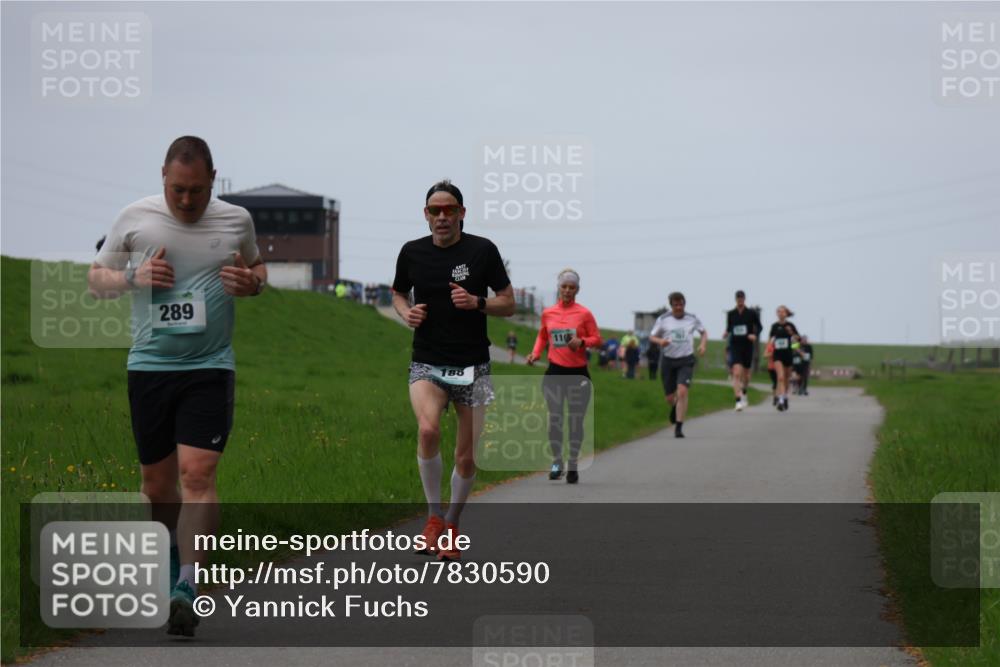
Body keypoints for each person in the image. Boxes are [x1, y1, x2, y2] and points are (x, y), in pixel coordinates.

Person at [87, 136, 267, 637]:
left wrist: (251, 284)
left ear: (214, 181)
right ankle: (169, 567)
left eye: (197, 191)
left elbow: (257, 268)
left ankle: (188, 586)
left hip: (210, 367)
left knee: (198, 475)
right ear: (162, 177)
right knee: (156, 487)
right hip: (150, 367)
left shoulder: (236, 221)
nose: (186, 201)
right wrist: (133, 278)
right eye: (177, 190)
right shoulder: (135, 218)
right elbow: (96, 279)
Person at [392, 179, 514, 562]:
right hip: (428, 359)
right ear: (425, 215)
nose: (442, 217)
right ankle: (432, 518)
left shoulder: (483, 251)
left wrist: (477, 302)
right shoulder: (412, 252)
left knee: (466, 457)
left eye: (449, 210)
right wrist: (405, 312)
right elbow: (397, 292)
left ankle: (452, 525)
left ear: (462, 213)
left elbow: (508, 303)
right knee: (428, 429)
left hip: (474, 365)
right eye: (434, 210)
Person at [526, 269, 602, 484]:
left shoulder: (584, 314)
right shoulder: (548, 313)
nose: (567, 290)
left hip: (578, 374)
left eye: (572, 287)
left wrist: (583, 342)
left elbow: (597, 338)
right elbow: (542, 336)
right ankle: (557, 461)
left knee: (575, 421)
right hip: (555, 372)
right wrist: (535, 353)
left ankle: (573, 465)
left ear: (577, 290)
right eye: (564, 286)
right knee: (555, 420)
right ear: (559, 288)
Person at [649, 292, 707, 438]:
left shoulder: (692, 318)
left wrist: (703, 345)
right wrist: (660, 341)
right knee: (670, 397)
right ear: (671, 306)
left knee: (682, 391)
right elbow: (652, 336)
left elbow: (703, 332)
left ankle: (679, 427)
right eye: (676, 305)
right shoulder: (663, 319)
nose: (679, 307)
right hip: (668, 360)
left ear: (684, 304)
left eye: (681, 304)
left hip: (686, 359)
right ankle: (675, 406)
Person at [722, 290, 762, 412]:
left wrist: (754, 334)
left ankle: (744, 391)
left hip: (747, 346)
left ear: (744, 299)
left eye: (741, 298)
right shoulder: (731, 313)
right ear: (735, 299)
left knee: (746, 374)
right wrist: (726, 332)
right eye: (738, 298)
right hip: (735, 345)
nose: (740, 300)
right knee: (736, 373)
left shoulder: (751, 313)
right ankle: (738, 401)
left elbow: (759, 326)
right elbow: (729, 327)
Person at [768, 305, 801, 412]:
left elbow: (798, 341)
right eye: (779, 312)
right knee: (780, 377)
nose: (781, 313)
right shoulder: (774, 326)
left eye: (783, 312)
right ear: (777, 314)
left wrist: (792, 334)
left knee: (786, 379)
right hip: (777, 355)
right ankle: (781, 401)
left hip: (788, 355)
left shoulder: (791, 325)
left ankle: (785, 397)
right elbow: (771, 341)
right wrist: (769, 350)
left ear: (786, 314)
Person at [765, 339, 778, 406]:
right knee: (775, 383)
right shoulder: (770, 346)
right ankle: (775, 397)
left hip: (779, 368)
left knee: (778, 383)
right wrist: (772, 353)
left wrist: (798, 343)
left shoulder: (781, 346)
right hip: (771, 368)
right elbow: (765, 355)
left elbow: (792, 346)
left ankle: (777, 397)